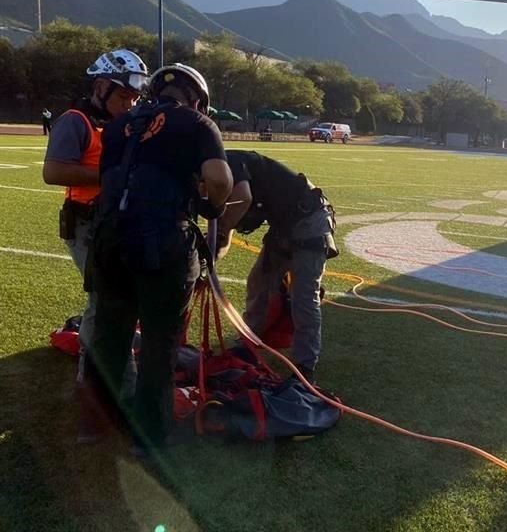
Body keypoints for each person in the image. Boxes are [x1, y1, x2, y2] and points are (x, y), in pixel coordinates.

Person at [83, 63, 232, 453]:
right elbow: (219, 180)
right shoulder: (198, 124)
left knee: (110, 336)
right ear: (196, 99)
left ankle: (98, 422)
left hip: (110, 241)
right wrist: (211, 207)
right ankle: (148, 435)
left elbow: (107, 182)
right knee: (158, 343)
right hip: (163, 243)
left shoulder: (118, 126)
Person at [42, 49, 149, 399]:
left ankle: (102, 371)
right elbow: (54, 171)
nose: (130, 104)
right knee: (104, 301)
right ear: (101, 87)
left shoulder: (123, 124)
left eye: (134, 97)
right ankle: (98, 381)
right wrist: (114, 176)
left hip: (114, 222)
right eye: (123, 96)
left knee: (113, 298)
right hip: (87, 225)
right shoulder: (76, 121)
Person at [215, 149, 338, 383]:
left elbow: (244, 198)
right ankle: (249, 343)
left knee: (303, 295)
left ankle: (305, 365)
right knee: (259, 281)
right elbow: (226, 233)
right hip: (284, 225)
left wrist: (221, 228)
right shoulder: (221, 173)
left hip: (309, 220)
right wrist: (210, 262)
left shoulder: (231, 162)